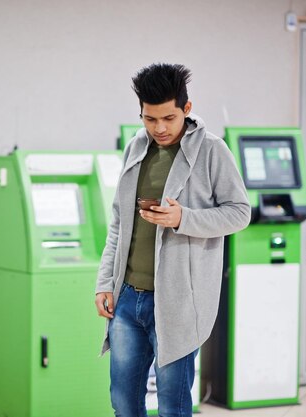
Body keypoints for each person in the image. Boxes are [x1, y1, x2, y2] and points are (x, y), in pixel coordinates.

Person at [94, 63, 250, 417]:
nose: (159, 128)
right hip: (128, 299)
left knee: (173, 407)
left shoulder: (212, 150)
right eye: (150, 119)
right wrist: (105, 283)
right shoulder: (136, 147)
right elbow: (118, 223)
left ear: (187, 109)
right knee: (123, 403)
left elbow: (240, 212)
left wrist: (184, 218)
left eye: (168, 117)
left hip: (178, 302)